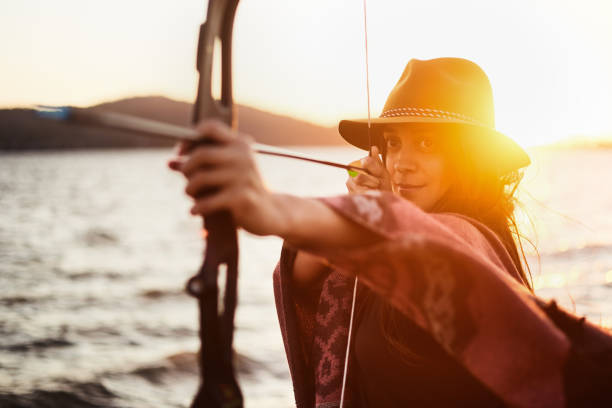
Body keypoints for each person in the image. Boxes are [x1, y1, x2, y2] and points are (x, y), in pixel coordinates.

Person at [169, 58, 612, 407]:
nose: (402, 163)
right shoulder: (390, 248)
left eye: (428, 143)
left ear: (470, 158)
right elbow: (304, 278)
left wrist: (269, 206)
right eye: (395, 143)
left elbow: (429, 243)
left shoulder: (469, 237)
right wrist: (369, 213)